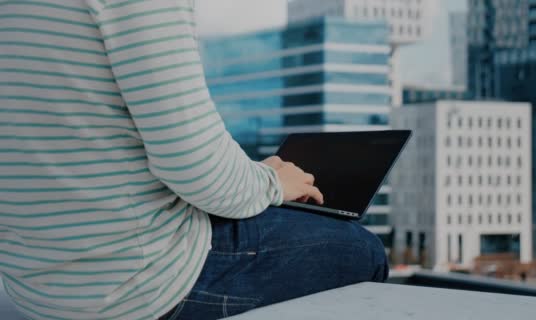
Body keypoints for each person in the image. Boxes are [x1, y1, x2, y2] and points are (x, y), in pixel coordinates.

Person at [0, 1, 388, 319]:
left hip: (35, 284)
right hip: (130, 285)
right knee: (359, 249)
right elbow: (193, 168)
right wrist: (270, 182)